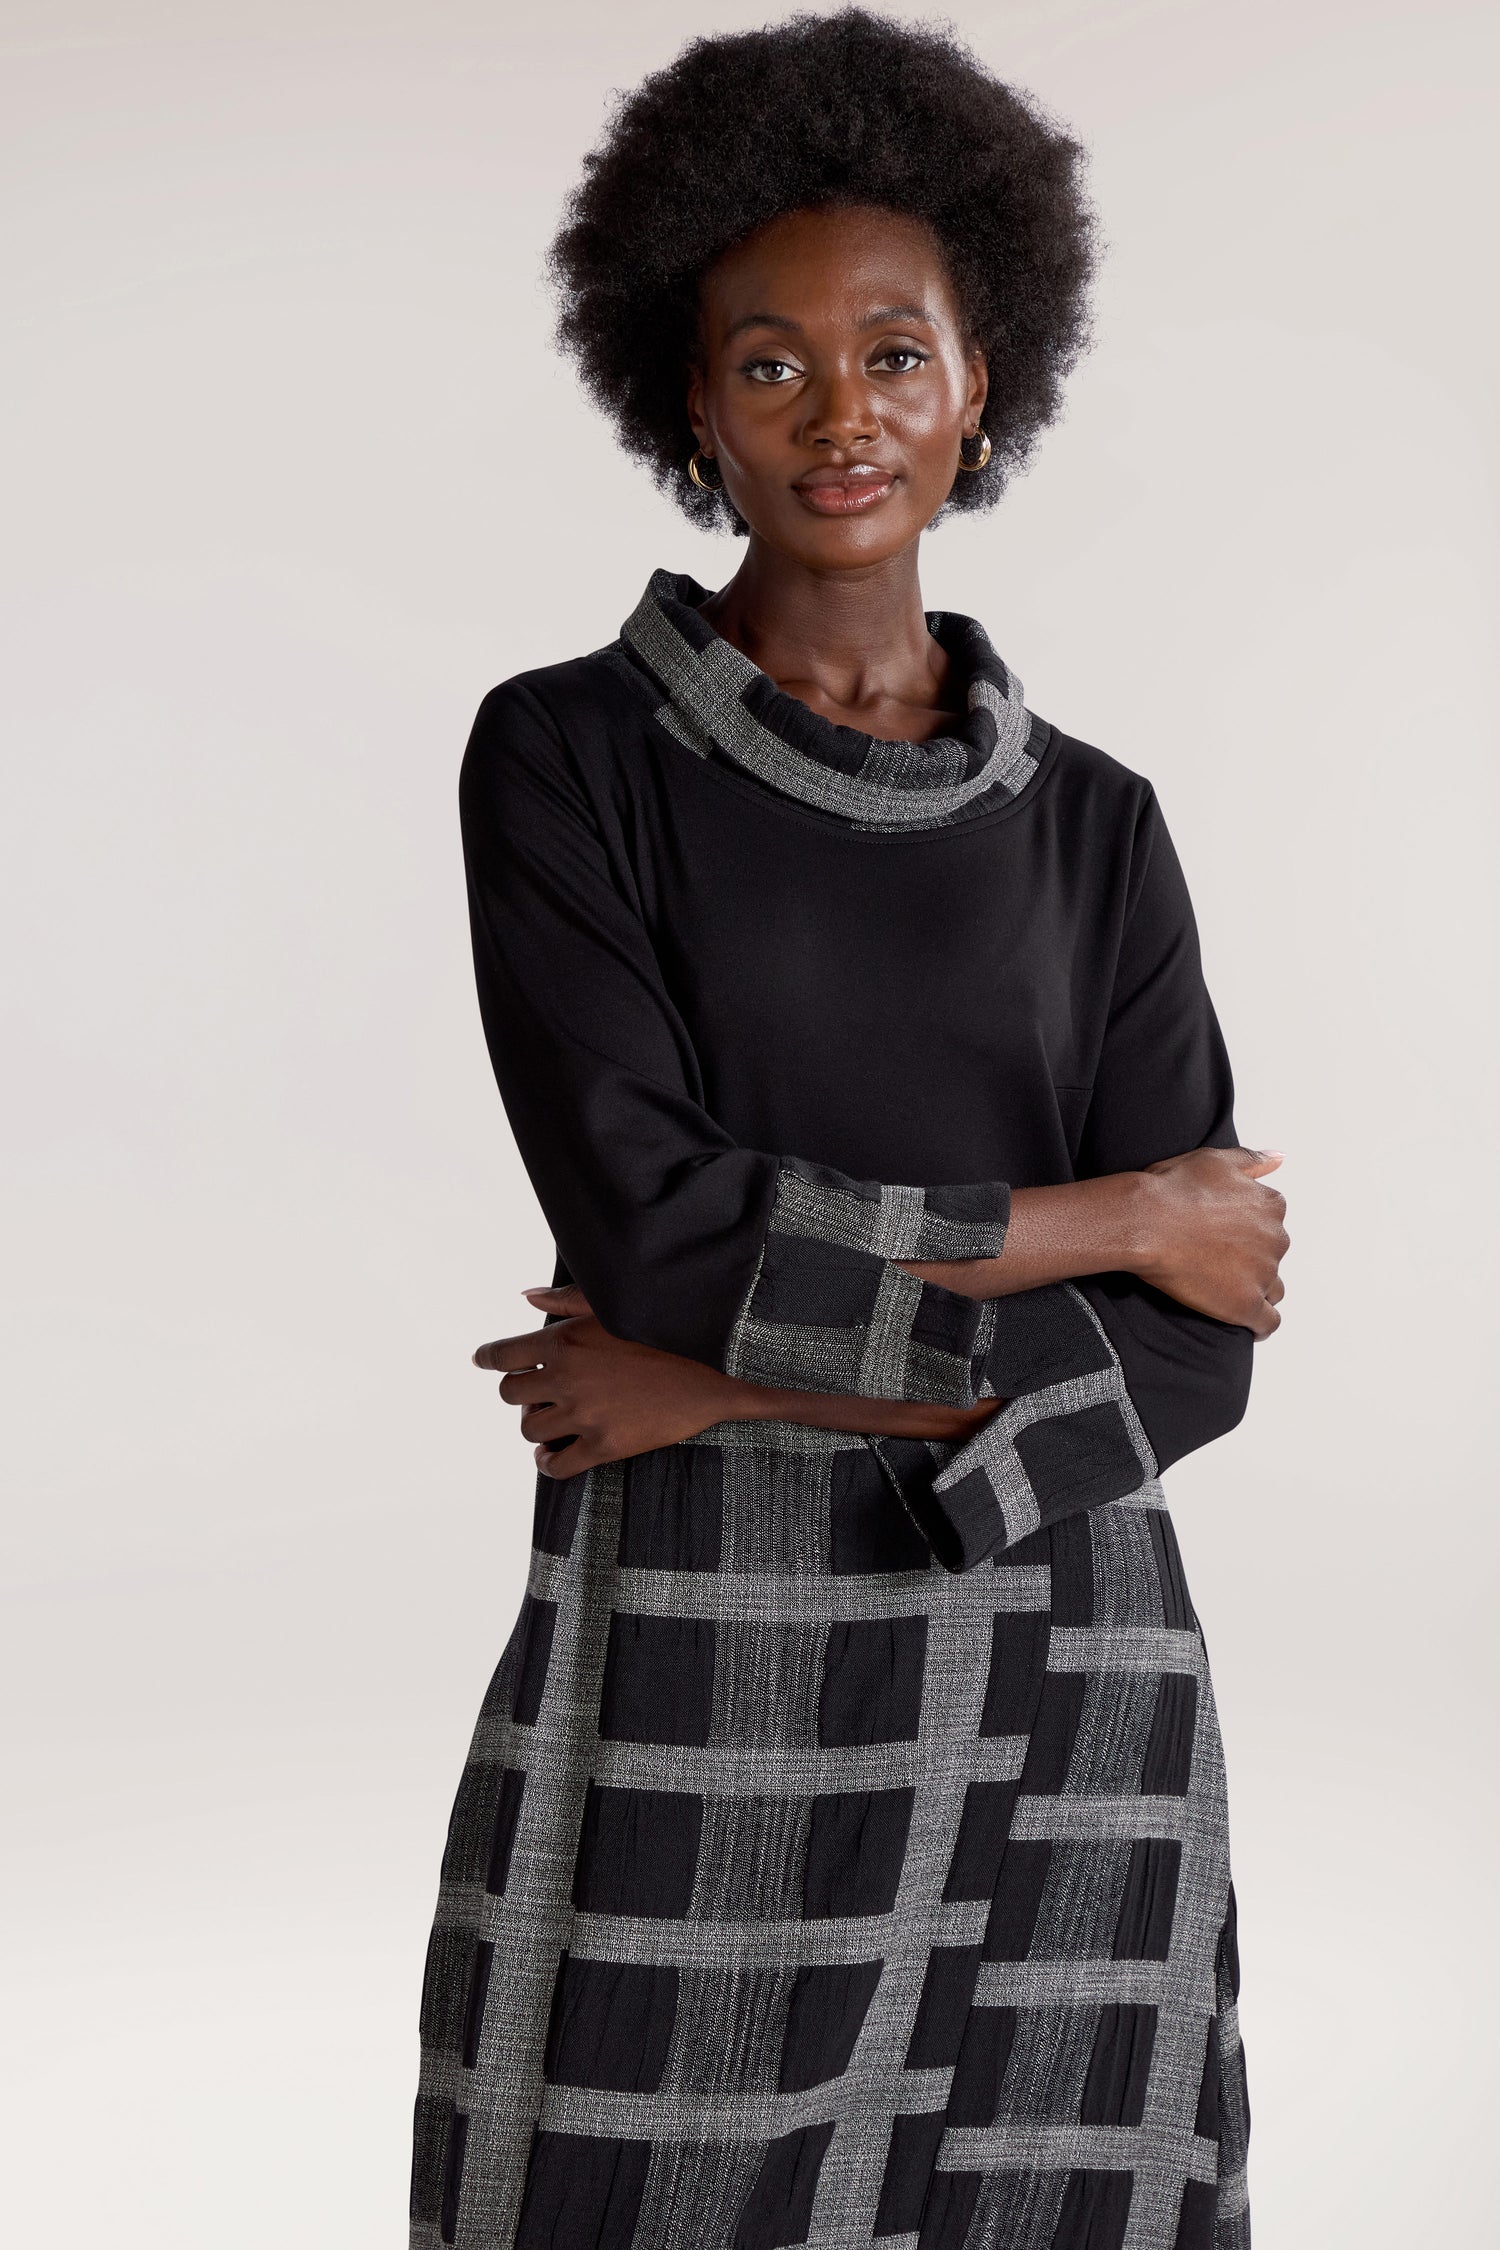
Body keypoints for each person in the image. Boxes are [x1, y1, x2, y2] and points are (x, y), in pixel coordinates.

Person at [411, 13, 1285, 2248]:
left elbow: (1212, 1342)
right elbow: (663, 1217)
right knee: (635, 2166)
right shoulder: (570, 759)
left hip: (1065, 1642)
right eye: (770, 363)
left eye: (894, 352)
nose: (841, 413)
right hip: (717, 1626)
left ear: (984, 378)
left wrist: (712, 1381)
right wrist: (1110, 1217)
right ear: (687, 404)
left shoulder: (1093, 826)